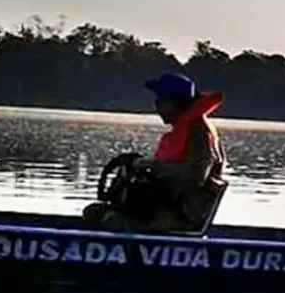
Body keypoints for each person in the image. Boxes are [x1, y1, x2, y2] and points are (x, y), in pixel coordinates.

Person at [83, 72, 226, 232]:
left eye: (161, 101)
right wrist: (137, 166)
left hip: (178, 216)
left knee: (106, 218)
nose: (156, 106)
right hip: (166, 209)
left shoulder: (198, 133)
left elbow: (195, 175)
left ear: (177, 103)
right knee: (94, 211)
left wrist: (149, 166)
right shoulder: (188, 128)